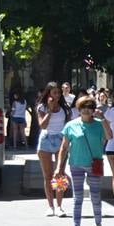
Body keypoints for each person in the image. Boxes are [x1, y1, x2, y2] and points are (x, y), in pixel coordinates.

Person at [54, 96, 111, 226]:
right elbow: (64, 147)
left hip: (94, 165)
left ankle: (98, 224)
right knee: (77, 198)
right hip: (76, 164)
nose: (86, 110)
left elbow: (110, 136)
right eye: (83, 107)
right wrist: (59, 167)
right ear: (79, 109)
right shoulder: (71, 125)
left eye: (90, 107)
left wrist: (103, 119)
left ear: (93, 109)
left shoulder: (99, 124)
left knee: (95, 197)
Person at [36, 83, 70, 217]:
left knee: (60, 173)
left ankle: (59, 206)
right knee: (48, 175)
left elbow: (67, 125)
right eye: (54, 93)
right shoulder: (42, 107)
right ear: (49, 94)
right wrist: (49, 111)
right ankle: (50, 206)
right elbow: (43, 125)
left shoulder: (64, 108)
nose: (57, 95)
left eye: (58, 93)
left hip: (60, 139)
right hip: (46, 139)